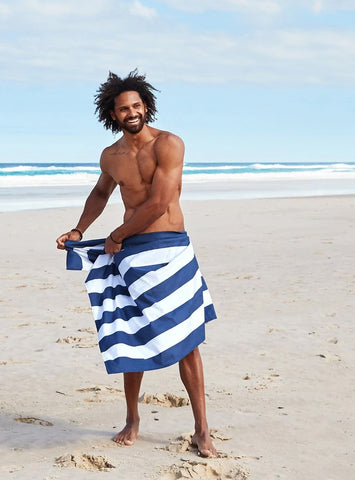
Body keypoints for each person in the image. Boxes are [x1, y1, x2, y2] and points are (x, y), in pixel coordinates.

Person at [56, 70, 218, 458]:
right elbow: (100, 192)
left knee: (188, 342)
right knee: (132, 335)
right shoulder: (111, 157)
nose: (131, 113)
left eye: (136, 106)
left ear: (146, 106)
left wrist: (116, 236)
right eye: (123, 109)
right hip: (131, 255)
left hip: (170, 250)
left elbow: (159, 203)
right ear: (112, 114)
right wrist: (79, 230)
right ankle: (132, 419)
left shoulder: (169, 144)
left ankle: (202, 430)